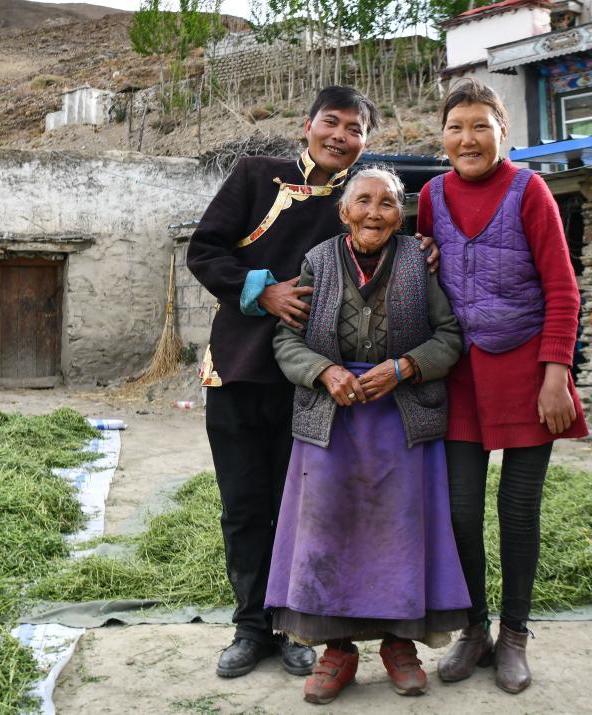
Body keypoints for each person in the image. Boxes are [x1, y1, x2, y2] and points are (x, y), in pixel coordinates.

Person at [187, 86, 403, 679]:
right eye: (331, 122)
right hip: (236, 370)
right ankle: (249, 626)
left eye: (354, 129)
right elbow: (204, 251)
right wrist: (262, 291)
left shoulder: (361, 202)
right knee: (243, 505)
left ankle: (291, 626)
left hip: (309, 382)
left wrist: (426, 246)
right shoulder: (256, 176)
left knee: (302, 507)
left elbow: (403, 226)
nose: (340, 136)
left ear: (365, 142)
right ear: (308, 126)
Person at [268, 168, 469, 705]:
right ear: (343, 211)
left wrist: (405, 367)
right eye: (363, 201)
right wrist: (324, 372)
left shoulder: (418, 262)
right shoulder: (317, 261)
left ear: (401, 216)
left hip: (401, 417)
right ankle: (337, 651)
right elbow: (286, 341)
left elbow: (449, 336)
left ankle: (399, 645)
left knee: (398, 533)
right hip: (330, 418)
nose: (374, 213)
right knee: (329, 531)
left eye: (387, 203)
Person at [416, 78, 589, 694]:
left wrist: (556, 375)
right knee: (460, 511)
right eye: (456, 127)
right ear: (442, 136)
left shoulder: (529, 190)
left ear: (502, 132)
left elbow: (563, 289)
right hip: (459, 375)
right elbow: (424, 273)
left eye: (480, 127)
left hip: (526, 372)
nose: (468, 139)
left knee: (517, 509)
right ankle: (475, 629)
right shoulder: (431, 196)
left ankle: (514, 634)